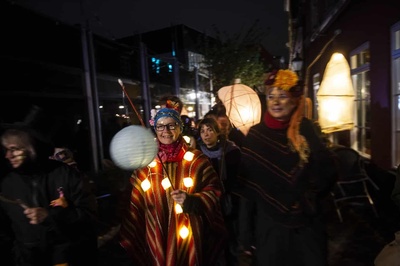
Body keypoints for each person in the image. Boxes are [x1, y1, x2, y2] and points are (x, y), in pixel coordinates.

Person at [235, 69, 337, 266]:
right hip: (270, 228)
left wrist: (313, 141)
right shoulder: (256, 136)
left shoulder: (307, 129)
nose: (275, 102)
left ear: (294, 100)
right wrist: (245, 237)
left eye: (282, 96)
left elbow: (327, 176)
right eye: (271, 96)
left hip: (307, 227)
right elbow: (247, 192)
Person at [119, 107, 228, 266]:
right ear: (155, 129)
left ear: (180, 127)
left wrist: (192, 200)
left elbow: (214, 190)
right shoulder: (145, 162)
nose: (166, 131)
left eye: (171, 125)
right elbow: (132, 199)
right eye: (161, 126)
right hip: (156, 232)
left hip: (190, 231)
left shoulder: (197, 160)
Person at [0, 106, 98, 266]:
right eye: (6, 149)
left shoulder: (66, 175)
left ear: (33, 148)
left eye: (14, 149)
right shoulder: (7, 183)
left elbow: (89, 215)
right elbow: (4, 230)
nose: (8, 155)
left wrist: (51, 215)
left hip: (65, 258)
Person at [197, 117, 241, 265]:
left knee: (228, 236)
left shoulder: (231, 151)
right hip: (206, 202)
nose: (206, 134)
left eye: (210, 130)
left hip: (226, 201)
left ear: (217, 132)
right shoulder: (197, 153)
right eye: (202, 131)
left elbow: (237, 179)